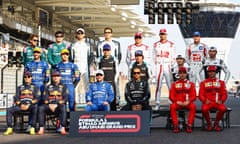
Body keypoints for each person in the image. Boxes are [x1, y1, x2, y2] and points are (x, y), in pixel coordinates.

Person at [3, 71, 40, 135]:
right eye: (25, 77)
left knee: (36, 107)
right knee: (9, 110)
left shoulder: (35, 87)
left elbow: (37, 98)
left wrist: (29, 104)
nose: (27, 78)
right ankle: (9, 128)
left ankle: (32, 127)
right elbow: (16, 97)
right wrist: (20, 104)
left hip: (30, 105)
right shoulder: (19, 87)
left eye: (29, 77)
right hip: (21, 105)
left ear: (31, 78)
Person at [38, 71, 68, 135]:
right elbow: (44, 98)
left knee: (63, 107)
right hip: (49, 106)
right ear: (51, 77)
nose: (55, 78)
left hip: (58, 106)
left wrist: (57, 104)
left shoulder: (64, 87)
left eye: (57, 76)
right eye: (54, 76)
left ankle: (63, 127)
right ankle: (41, 128)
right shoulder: (48, 87)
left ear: (60, 77)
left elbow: (65, 98)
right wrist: (49, 104)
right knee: (41, 108)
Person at [152, 28, 176, 110]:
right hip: (159, 65)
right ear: (159, 35)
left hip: (167, 65)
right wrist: (158, 62)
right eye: (161, 34)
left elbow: (173, 56)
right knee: (158, 85)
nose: (163, 35)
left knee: (170, 85)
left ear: (166, 35)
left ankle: (171, 102)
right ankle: (157, 103)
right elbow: (153, 56)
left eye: (164, 34)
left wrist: (170, 63)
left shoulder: (171, 44)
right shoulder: (156, 44)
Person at [199, 65, 228, 131]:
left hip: (217, 102)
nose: (211, 73)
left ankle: (216, 123)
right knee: (204, 109)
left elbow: (224, 94)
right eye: (210, 71)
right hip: (208, 102)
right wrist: (204, 100)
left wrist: (221, 100)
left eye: (213, 71)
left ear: (216, 72)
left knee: (223, 109)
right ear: (207, 73)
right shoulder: (203, 83)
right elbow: (200, 94)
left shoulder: (221, 82)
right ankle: (209, 123)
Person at [169, 66, 196, 133]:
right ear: (178, 74)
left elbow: (194, 96)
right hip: (178, 103)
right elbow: (171, 96)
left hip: (187, 103)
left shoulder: (191, 84)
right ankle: (175, 125)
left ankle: (189, 124)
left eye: (184, 73)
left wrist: (189, 101)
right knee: (172, 106)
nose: (182, 74)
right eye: (180, 73)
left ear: (186, 74)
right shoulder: (174, 84)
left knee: (193, 106)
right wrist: (176, 101)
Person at [71, 28, 94, 104]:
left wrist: (88, 64)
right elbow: (71, 56)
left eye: (81, 33)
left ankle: (87, 99)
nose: (80, 35)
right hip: (76, 66)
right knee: (76, 83)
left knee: (86, 84)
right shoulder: (73, 45)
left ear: (84, 34)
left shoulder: (87, 45)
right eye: (78, 33)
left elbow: (91, 55)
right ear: (76, 34)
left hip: (85, 67)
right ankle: (76, 100)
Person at [97, 43, 119, 111]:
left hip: (111, 82)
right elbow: (98, 71)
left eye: (108, 50)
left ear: (110, 51)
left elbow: (117, 71)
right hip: (103, 83)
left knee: (112, 100)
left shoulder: (114, 59)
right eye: (105, 50)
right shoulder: (99, 59)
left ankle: (114, 116)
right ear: (102, 51)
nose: (106, 51)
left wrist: (115, 80)